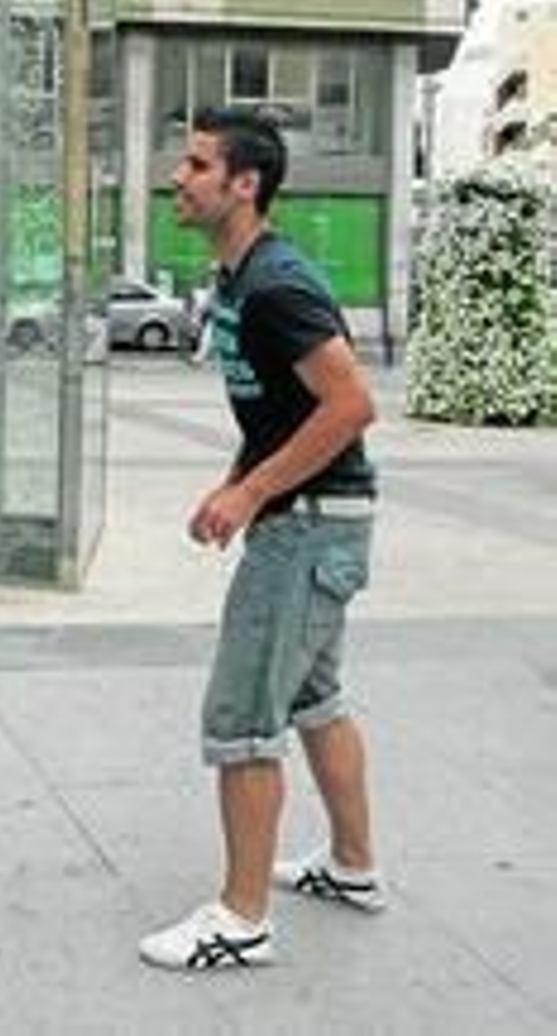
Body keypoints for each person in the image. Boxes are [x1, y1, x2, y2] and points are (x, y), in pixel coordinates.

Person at [139, 107, 383, 972]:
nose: (181, 176)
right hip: (318, 522)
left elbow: (351, 405)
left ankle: (240, 920)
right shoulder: (244, 279)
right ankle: (354, 868)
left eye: (199, 165)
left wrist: (250, 494)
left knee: (243, 716)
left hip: (309, 530)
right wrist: (239, 480)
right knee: (317, 699)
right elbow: (286, 409)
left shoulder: (277, 284)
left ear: (245, 185)